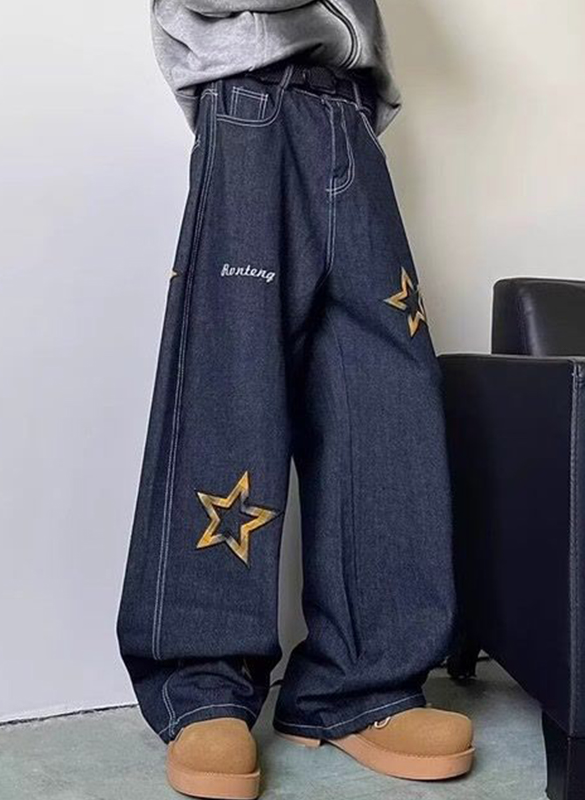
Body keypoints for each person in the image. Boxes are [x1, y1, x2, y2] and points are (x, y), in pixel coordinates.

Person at [118, 1, 475, 797]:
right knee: (229, 388)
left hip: (349, 121)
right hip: (251, 110)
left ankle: (364, 683)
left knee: (387, 390)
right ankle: (202, 683)